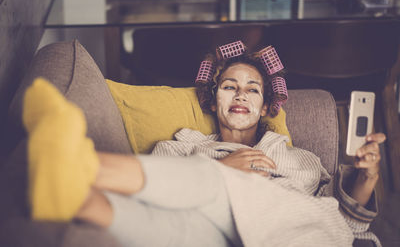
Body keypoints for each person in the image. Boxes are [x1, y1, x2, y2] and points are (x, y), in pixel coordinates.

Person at [23, 41, 385, 247]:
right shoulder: (182, 146)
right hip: (214, 234)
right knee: (177, 232)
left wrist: (366, 176)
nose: (241, 94)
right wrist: (220, 167)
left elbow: (342, 223)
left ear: (264, 107)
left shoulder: (301, 161)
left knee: (206, 199)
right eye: (230, 86)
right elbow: (148, 199)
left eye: (252, 89)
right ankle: (73, 194)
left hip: (291, 234)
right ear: (213, 101)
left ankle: (80, 165)